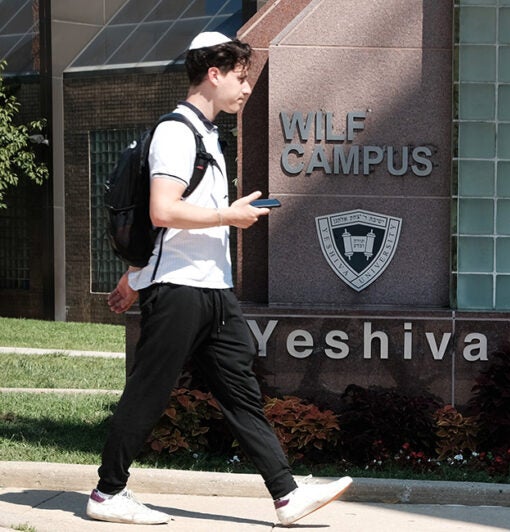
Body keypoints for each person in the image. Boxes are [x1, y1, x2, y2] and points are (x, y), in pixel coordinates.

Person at [86, 31, 351, 526]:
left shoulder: (209, 135)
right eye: (241, 76)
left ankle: (286, 496)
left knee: (241, 393)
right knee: (150, 389)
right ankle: (106, 494)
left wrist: (131, 275)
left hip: (212, 289)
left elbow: (171, 221)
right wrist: (228, 217)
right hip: (181, 290)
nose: (246, 88)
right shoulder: (177, 132)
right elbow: (163, 210)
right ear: (214, 73)